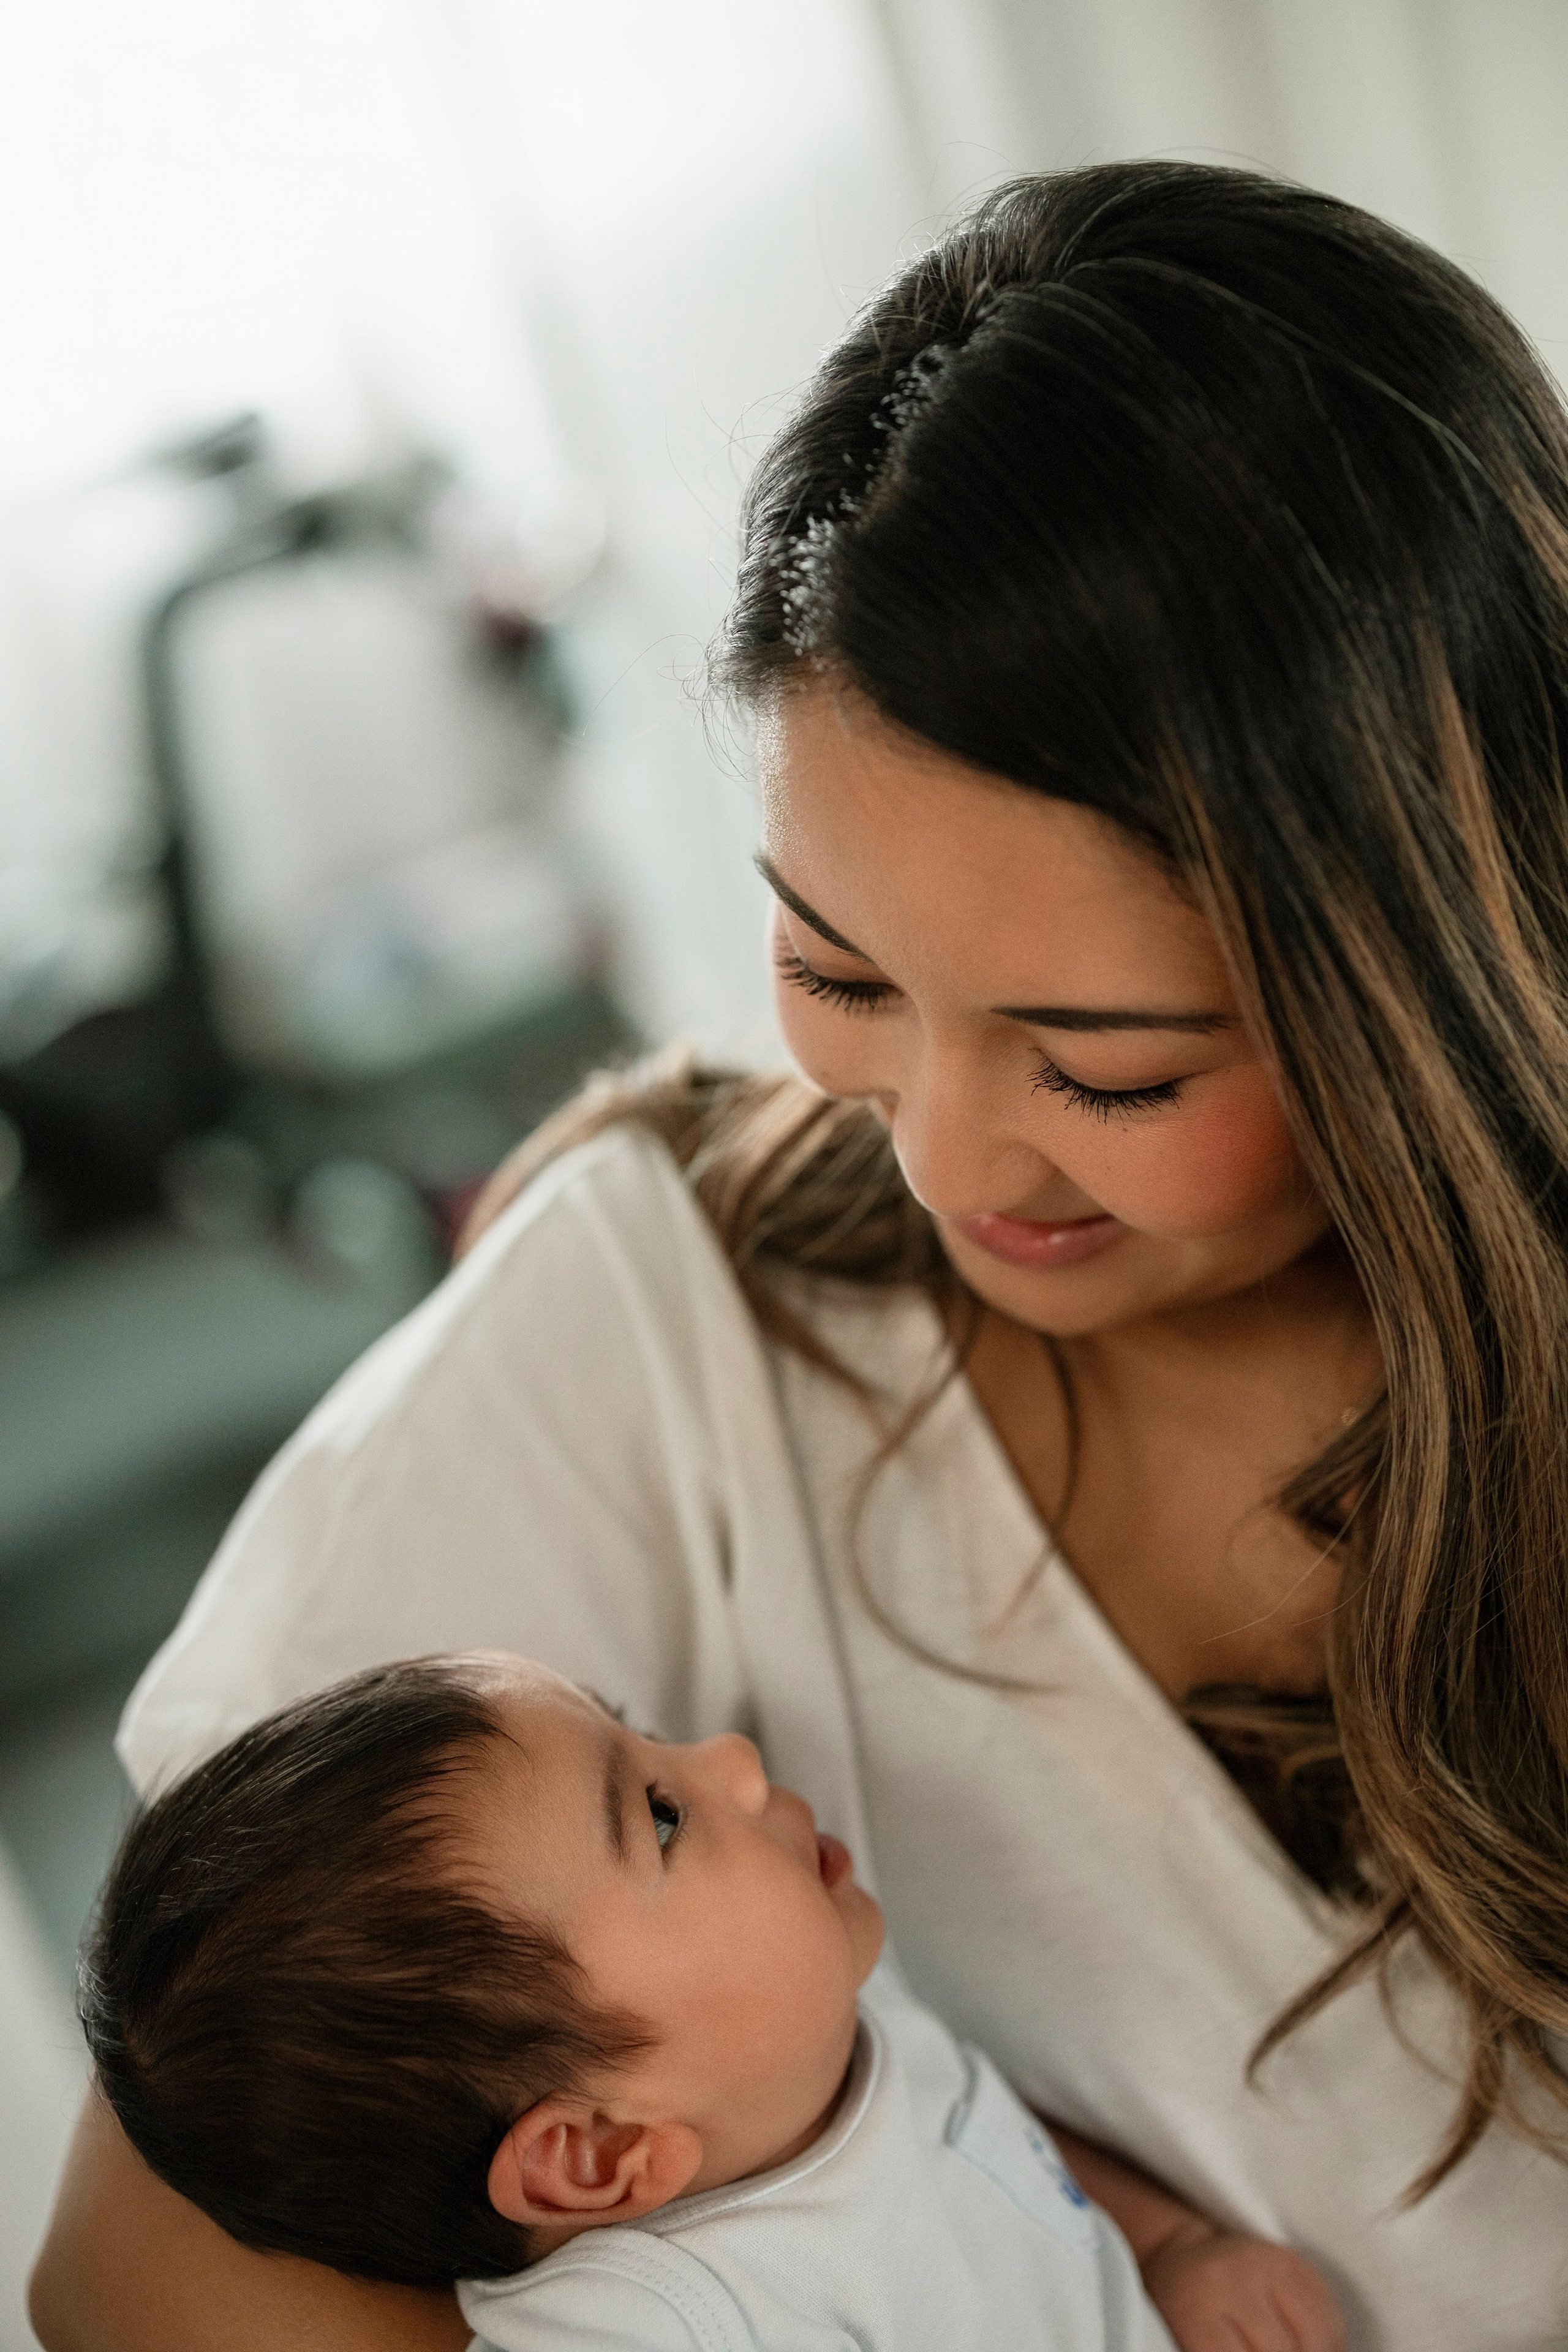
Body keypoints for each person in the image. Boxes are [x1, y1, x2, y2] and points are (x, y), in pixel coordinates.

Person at [30, 159, 1568, 2352]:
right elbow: (149, 2266)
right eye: (836, 969)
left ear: (1435, 978)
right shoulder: (668, 1312)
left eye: (1108, 1067)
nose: (941, 1156)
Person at [81, 1650, 1341, 2350]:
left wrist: (1171, 2248)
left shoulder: (820, 2029)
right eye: (662, 1814)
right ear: (594, 2151)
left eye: (641, 1737)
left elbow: (995, 2152)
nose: (730, 1758)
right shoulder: (667, 2324)